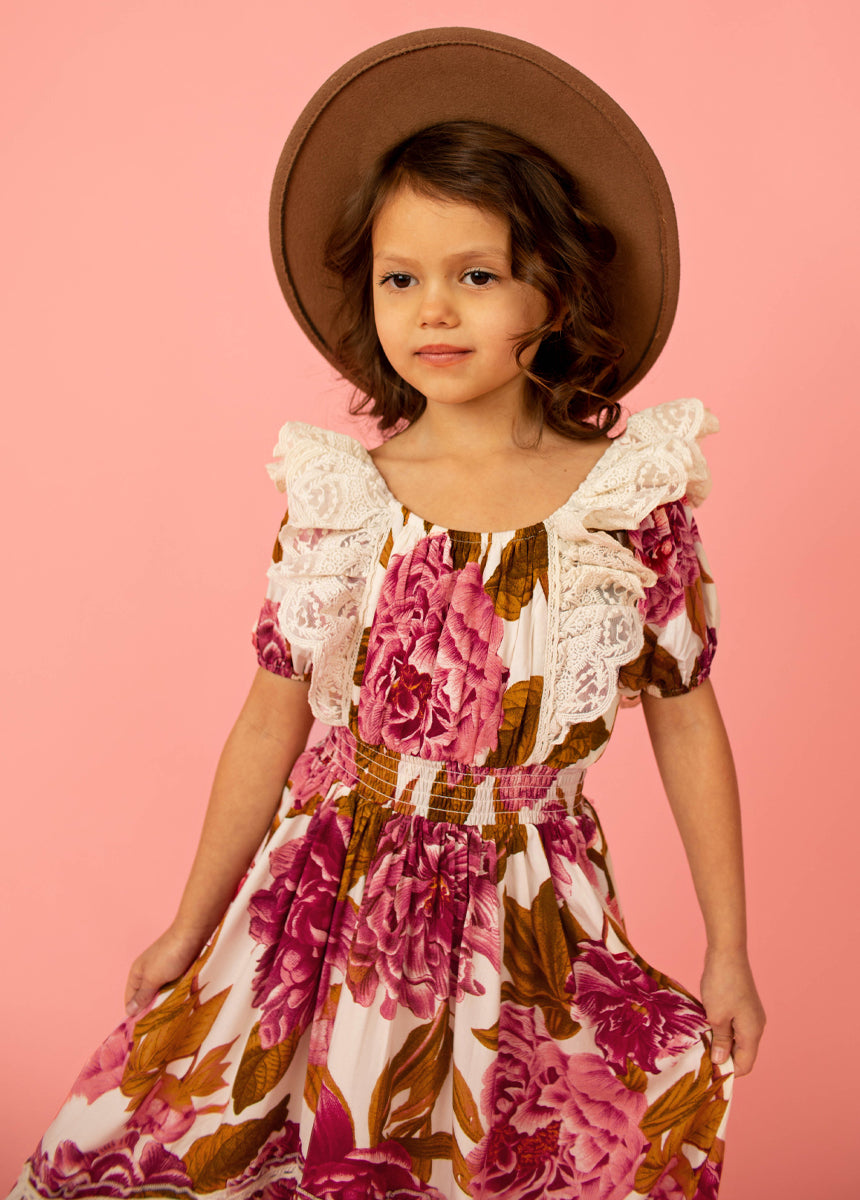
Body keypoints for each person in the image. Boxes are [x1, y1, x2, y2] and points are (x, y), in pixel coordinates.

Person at [8, 27, 765, 1200]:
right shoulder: (343, 501)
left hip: (529, 913)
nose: (433, 310)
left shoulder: (624, 506)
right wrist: (186, 923)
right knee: (285, 1147)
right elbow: (268, 721)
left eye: (476, 275)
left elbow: (685, 718)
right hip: (329, 901)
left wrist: (726, 948)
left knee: (502, 1157)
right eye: (399, 278)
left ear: (555, 285)